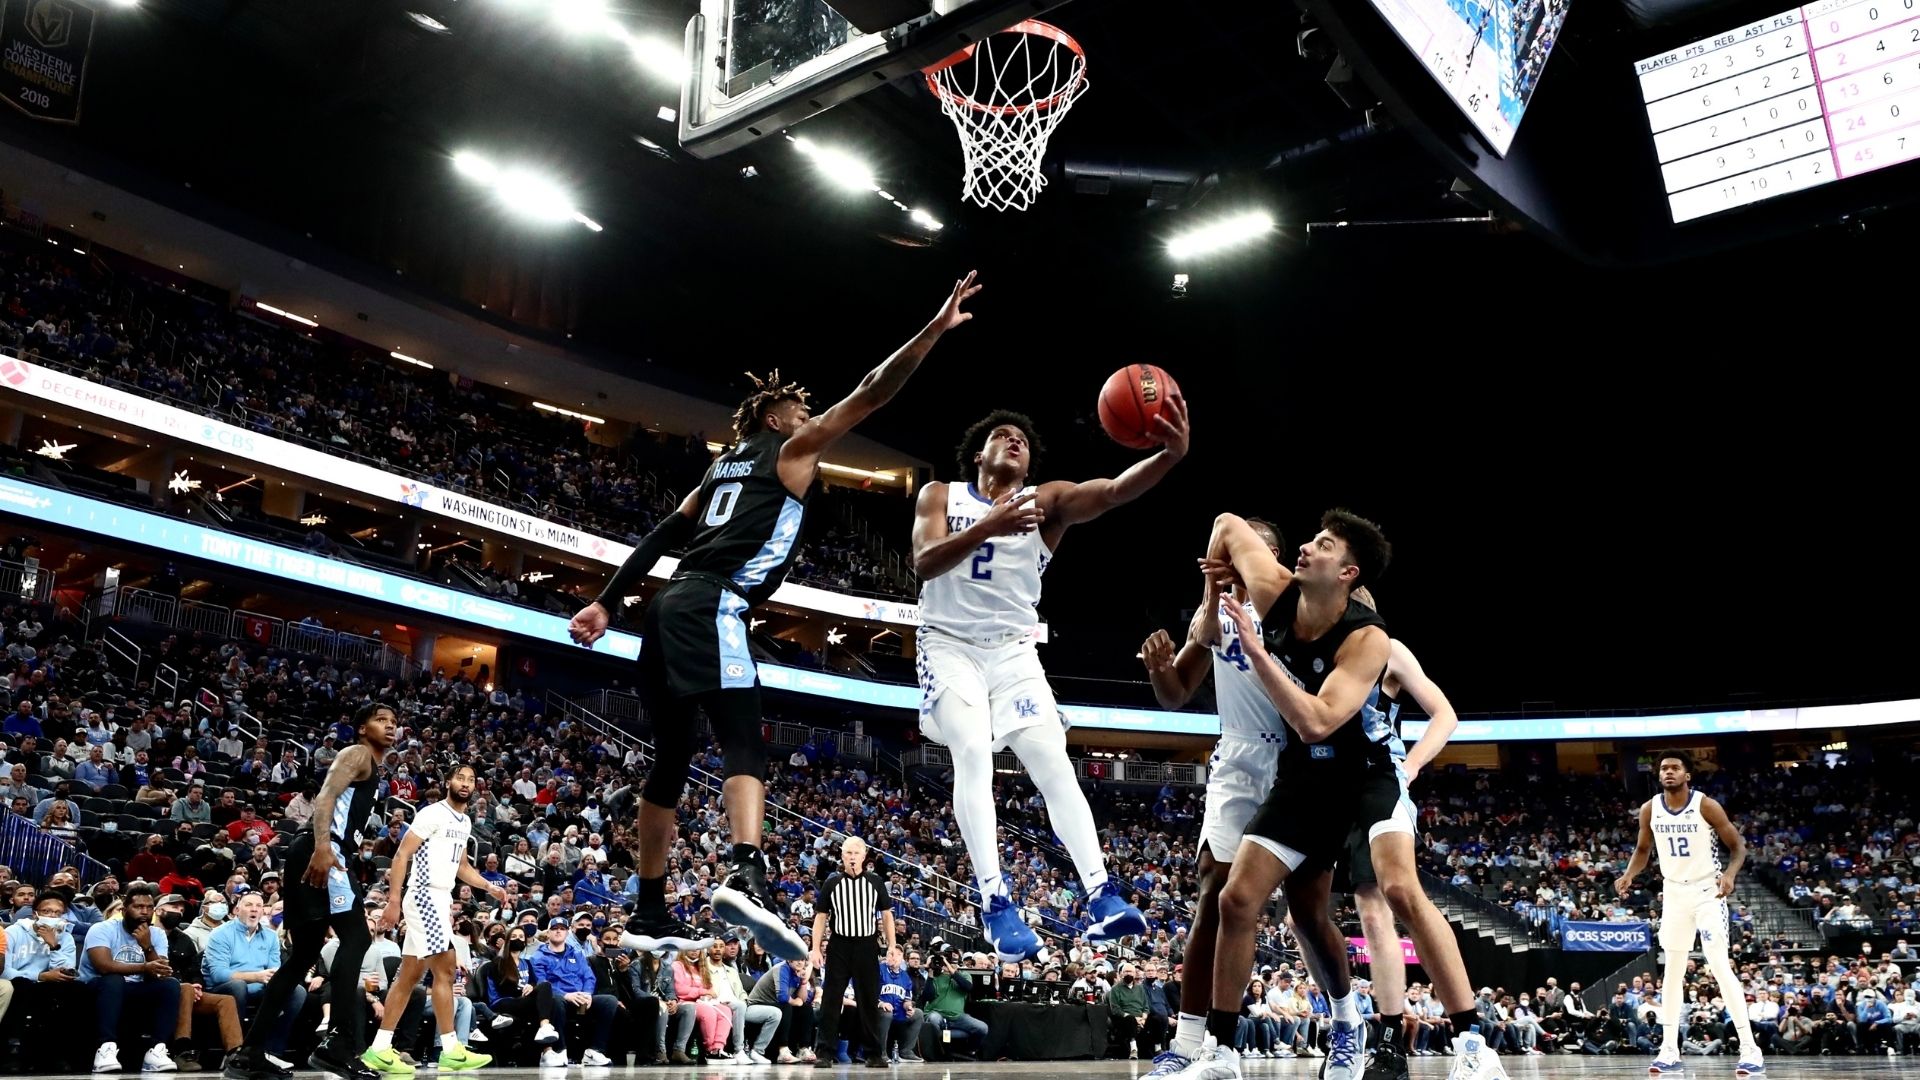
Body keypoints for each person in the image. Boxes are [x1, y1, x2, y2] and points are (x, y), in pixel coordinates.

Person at [573, 273, 983, 961]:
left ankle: (648, 912)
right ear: (774, 419)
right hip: (713, 603)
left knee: (671, 759)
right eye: (799, 409)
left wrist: (609, 600)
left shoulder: (716, 471)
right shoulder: (789, 451)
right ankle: (745, 871)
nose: (809, 415)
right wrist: (933, 331)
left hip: (666, 605)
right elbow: (872, 390)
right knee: (743, 738)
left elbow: (660, 537)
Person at [910, 397, 1190, 959]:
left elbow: (1113, 491)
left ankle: (1102, 896)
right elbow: (924, 562)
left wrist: (1168, 455)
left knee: (1052, 760)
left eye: (1025, 440)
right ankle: (994, 903)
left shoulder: (1046, 502)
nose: (1017, 441)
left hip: (1014, 652)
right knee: (971, 751)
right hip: (947, 645)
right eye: (1005, 434)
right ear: (979, 453)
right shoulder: (941, 494)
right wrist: (990, 524)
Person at [1176, 509, 1393, 1080]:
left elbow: (1318, 723)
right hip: (1278, 766)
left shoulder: (1367, 638)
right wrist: (1214, 575)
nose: (1304, 547)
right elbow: (1223, 520)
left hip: (1331, 774)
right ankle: (1219, 1053)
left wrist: (1257, 652)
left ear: (1347, 573)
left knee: (1307, 914)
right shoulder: (1273, 591)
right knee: (1232, 900)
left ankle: (1348, 1025)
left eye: (1322, 545)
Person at [1136, 513, 1290, 1076]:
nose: (1239, 557)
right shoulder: (1215, 616)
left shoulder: (1295, 610)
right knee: (1213, 895)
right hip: (1238, 759)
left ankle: (1349, 1023)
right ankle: (1189, 1040)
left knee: (1307, 913)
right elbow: (1175, 693)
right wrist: (1158, 668)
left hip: (1296, 759)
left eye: (1256, 548)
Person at [224, 700, 395, 1080]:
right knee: (357, 938)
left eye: (393, 721)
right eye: (380, 720)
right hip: (324, 850)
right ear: (363, 728)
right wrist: (322, 846)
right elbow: (326, 797)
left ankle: (249, 1052)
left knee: (302, 956)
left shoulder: (373, 766)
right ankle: (340, 1043)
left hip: (322, 850)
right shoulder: (357, 753)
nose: (390, 726)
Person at [1615, 750, 1764, 1078]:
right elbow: (1642, 850)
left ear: (1687, 775)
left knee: (1720, 965)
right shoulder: (1650, 808)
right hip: (1674, 894)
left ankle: (1750, 1048)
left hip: (1707, 891)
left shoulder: (1706, 805)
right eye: (1664, 768)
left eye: (1675, 768)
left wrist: (1730, 874)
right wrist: (1628, 875)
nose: (1668, 772)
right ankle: (1669, 1048)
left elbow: (1738, 846)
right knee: (1672, 971)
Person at [362, 764, 507, 1074]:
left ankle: (378, 1048)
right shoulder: (431, 813)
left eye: (471, 779)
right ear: (448, 782)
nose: (466, 783)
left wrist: (488, 886)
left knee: (410, 976)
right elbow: (401, 855)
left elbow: (462, 866)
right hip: (424, 894)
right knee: (446, 967)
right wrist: (393, 900)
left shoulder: (465, 821)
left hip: (442, 897)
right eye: (460, 777)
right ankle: (452, 1048)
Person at [811, 836, 897, 1069]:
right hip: (839, 944)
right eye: (848, 852)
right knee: (831, 998)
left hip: (866, 945)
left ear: (864, 856)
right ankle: (824, 1052)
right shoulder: (832, 883)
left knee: (868, 999)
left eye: (856, 853)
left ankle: (873, 1053)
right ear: (842, 855)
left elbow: (887, 914)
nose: (851, 857)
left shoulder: (875, 882)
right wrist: (815, 948)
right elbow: (820, 917)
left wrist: (892, 945)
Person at [82, 882, 184, 1073]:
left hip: (134, 988)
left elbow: (161, 972)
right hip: (98, 987)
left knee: (170, 985)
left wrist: (147, 946)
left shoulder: (157, 934)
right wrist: (145, 966)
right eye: (138, 907)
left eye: (149, 907)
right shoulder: (102, 929)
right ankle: (106, 1049)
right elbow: (103, 966)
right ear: (124, 908)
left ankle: (156, 1051)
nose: (144, 912)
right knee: (114, 979)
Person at [155, 892, 244, 1070]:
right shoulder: (147, 934)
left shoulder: (184, 939)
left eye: (181, 909)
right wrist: (189, 987)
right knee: (186, 988)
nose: (179, 912)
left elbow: (195, 970)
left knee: (225, 1000)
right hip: (161, 992)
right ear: (158, 910)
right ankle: (181, 1051)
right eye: (174, 907)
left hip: (189, 994)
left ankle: (234, 1053)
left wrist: (198, 984)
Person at [527, 917, 617, 1066]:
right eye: (555, 928)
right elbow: (542, 984)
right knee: (555, 999)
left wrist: (587, 994)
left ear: (567, 932)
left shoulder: (577, 953)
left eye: (562, 929)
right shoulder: (538, 957)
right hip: (559, 998)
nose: (558, 931)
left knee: (610, 1001)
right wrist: (566, 995)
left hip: (581, 997)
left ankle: (595, 1051)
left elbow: (589, 977)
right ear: (548, 932)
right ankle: (559, 1050)